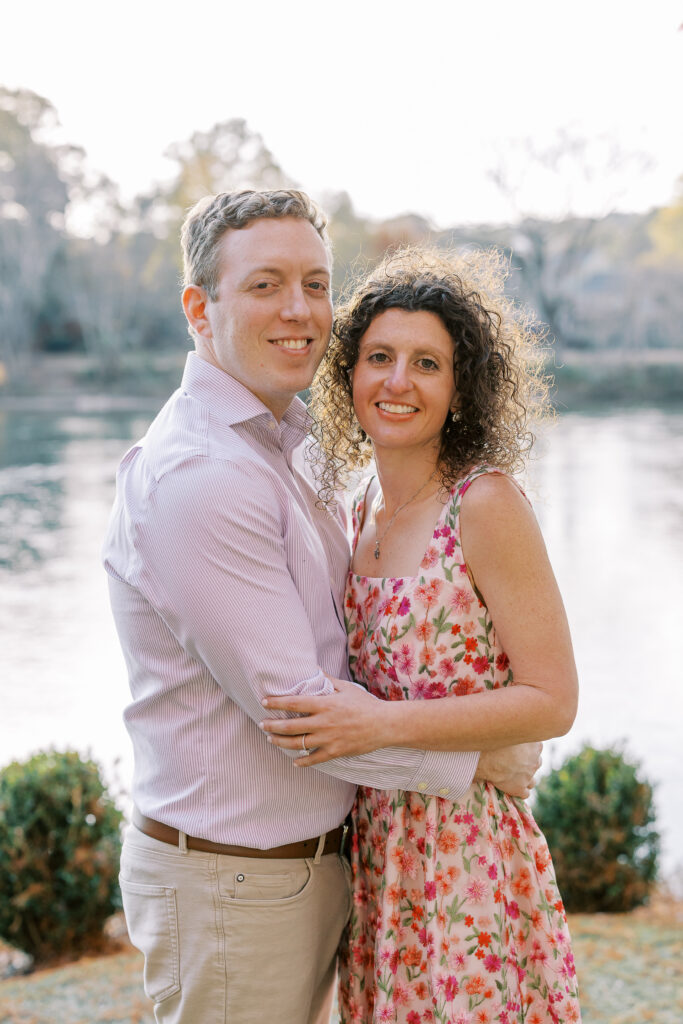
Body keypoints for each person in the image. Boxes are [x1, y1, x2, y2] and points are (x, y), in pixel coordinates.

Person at [101, 190, 541, 1024]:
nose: (299, 310)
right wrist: (479, 761)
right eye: (265, 285)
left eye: (314, 283)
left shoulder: (288, 442)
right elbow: (300, 712)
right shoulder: (201, 476)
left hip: (320, 868)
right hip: (235, 880)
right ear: (200, 308)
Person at [261, 247, 582, 1023]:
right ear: (347, 375)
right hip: (376, 859)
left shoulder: (483, 504)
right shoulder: (357, 507)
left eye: (426, 364)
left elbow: (552, 699)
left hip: (467, 859)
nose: (397, 382)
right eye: (378, 357)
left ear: (460, 386)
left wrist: (380, 725)